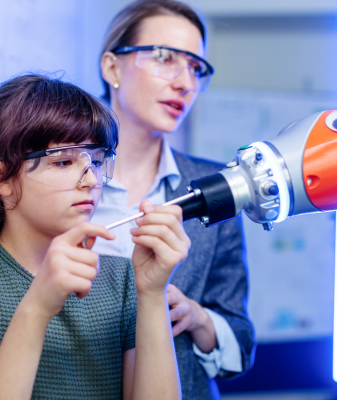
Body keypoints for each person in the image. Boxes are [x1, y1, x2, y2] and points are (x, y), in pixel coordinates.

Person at [0, 74, 190, 400]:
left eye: (98, 162)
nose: (91, 179)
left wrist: (152, 292)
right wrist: (37, 306)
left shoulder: (123, 279)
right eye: (63, 161)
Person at [92, 1, 255, 398]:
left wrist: (198, 318)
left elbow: (241, 341)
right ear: (112, 67)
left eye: (196, 68)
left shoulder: (215, 188)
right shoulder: (57, 177)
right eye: (165, 58)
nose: (185, 83)